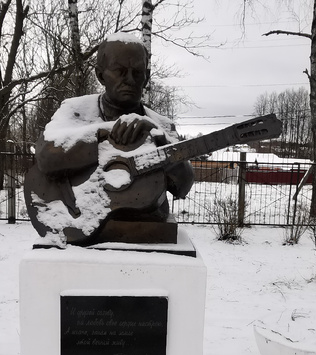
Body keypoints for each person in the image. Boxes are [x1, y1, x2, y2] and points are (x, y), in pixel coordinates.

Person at [26, 33, 194, 244]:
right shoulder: (75, 110)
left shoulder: (162, 126)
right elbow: (45, 156)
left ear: (146, 76)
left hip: (149, 224)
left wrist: (161, 144)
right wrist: (105, 134)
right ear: (100, 75)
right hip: (75, 212)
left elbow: (183, 186)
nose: (130, 80)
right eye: (120, 71)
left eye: (138, 72)